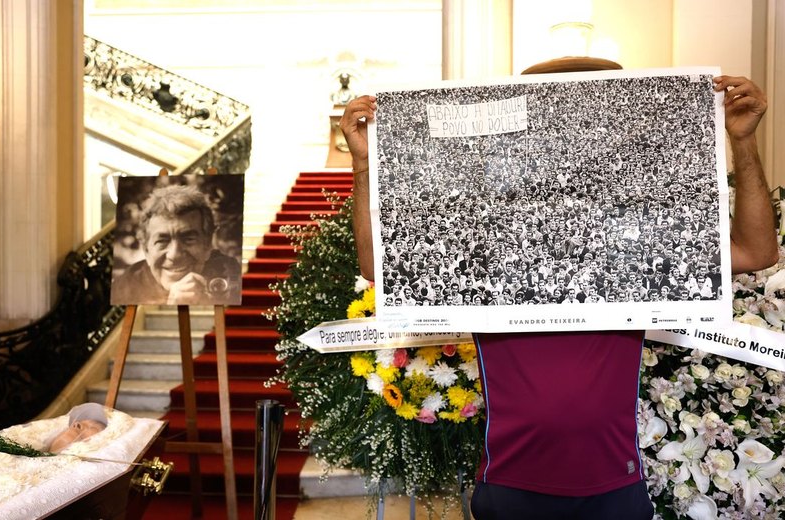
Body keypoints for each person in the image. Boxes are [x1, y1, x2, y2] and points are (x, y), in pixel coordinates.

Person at [339, 74, 777, 519]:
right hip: (510, 486)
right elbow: (377, 267)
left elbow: (758, 251)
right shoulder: (485, 252)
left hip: (615, 485)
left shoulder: (632, 249)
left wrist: (742, 142)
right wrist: (362, 166)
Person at [112, 183, 241, 305]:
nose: (175, 255)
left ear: (207, 245)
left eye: (188, 239)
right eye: (162, 241)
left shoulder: (232, 274)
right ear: (146, 250)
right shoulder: (124, 288)